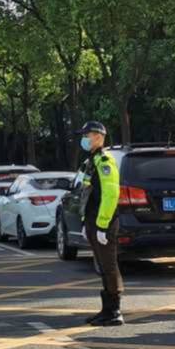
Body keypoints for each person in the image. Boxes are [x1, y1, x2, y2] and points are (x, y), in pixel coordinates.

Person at [75, 121, 124, 327]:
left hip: (104, 223)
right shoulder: (92, 160)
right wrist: (87, 222)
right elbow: (88, 194)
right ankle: (106, 310)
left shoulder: (104, 161)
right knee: (102, 266)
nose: (84, 139)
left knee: (109, 266)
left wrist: (103, 225)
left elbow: (111, 195)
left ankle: (114, 311)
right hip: (94, 222)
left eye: (86, 135)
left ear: (97, 136)